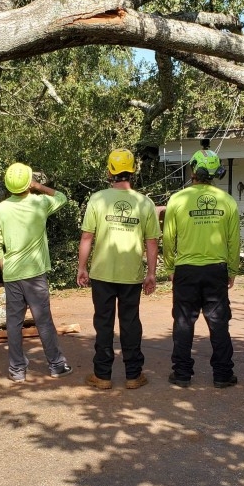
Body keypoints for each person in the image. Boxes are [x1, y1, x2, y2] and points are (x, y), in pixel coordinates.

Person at [76, 148, 160, 390]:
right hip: (131, 275)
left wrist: (82, 267)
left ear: (109, 171)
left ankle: (102, 376)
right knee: (130, 323)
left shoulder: (97, 199)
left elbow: (87, 237)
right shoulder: (145, 202)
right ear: (132, 171)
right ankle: (133, 375)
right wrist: (151, 273)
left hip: (102, 273)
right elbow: (152, 242)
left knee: (103, 323)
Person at [162, 146, 240, 389]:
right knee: (219, 323)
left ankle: (182, 373)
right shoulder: (227, 201)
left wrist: (170, 267)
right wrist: (232, 270)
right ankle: (223, 375)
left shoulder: (177, 200)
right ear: (215, 173)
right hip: (216, 270)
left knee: (183, 322)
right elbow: (233, 241)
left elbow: (168, 238)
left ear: (193, 170)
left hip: (186, 270)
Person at [0, 163, 72, 382]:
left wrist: (5, 266)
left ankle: (17, 370)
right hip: (35, 273)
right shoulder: (40, 202)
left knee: (14, 323)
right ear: (28, 183)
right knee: (43, 320)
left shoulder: (0, 209)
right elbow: (62, 197)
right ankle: (56, 365)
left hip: (12, 273)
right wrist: (39, 186)